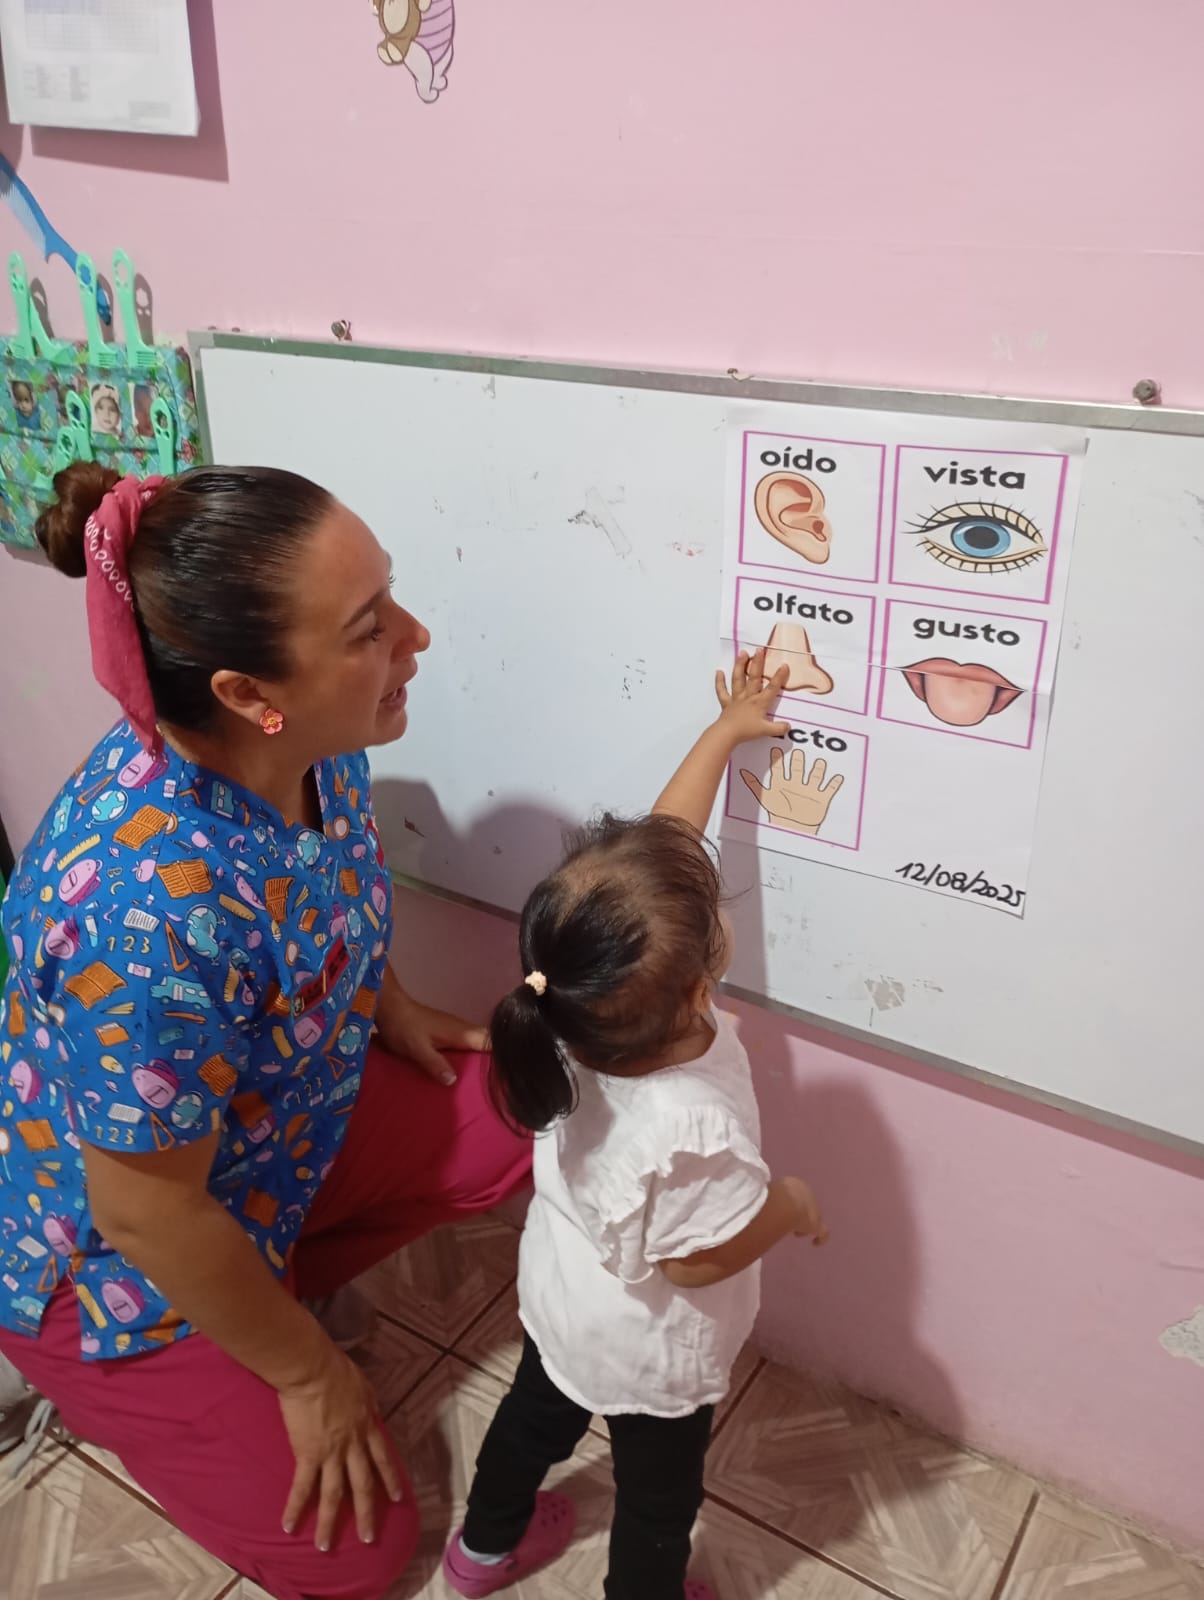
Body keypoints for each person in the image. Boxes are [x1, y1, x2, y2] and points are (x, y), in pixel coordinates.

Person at [0, 463, 532, 1598]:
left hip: (247, 1146)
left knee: (512, 1109)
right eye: (369, 628)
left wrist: (385, 1001)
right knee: (357, 1556)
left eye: (390, 599)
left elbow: (323, 887)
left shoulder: (318, 744)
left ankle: (263, 1295)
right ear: (248, 693)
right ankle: (137, 1382)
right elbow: (142, 1210)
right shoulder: (141, 921)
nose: (415, 636)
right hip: (114, 1256)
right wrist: (307, 1375)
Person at [443, 650, 830, 1600]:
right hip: (648, 1345)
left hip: (565, 1298)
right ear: (702, 984)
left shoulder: (575, 1004)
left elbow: (665, 845)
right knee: (658, 1502)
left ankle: (479, 1553)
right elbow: (695, 1264)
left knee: (531, 1424)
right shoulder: (690, 1125)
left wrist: (724, 732)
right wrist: (786, 1205)